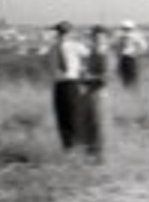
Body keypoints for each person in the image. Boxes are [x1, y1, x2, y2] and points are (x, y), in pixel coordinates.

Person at [46, 21, 88, 150]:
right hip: (60, 85)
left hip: (71, 84)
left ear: (69, 33)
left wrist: (83, 71)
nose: (61, 34)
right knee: (62, 117)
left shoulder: (75, 46)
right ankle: (68, 147)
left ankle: (77, 146)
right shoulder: (53, 48)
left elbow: (89, 56)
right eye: (59, 32)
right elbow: (48, 65)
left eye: (63, 32)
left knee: (73, 116)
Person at [80, 24, 112, 160]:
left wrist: (88, 77)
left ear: (106, 39)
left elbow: (106, 78)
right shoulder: (92, 53)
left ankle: (100, 156)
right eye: (95, 37)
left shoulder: (105, 55)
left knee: (99, 124)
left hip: (100, 93)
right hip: (89, 92)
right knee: (89, 123)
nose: (98, 40)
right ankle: (90, 153)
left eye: (101, 38)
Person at [113, 19, 149, 88]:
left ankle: (132, 91)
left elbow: (145, 46)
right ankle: (126, 91)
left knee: (132, 77)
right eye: (124, 28)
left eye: (127, 28)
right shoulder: (119, 36)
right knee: (124, 77)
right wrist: (117, 52)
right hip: (123, 58)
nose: (126, 30)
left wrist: (137, 53)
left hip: (132, 59)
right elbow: (113, 45)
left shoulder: (136, 36)